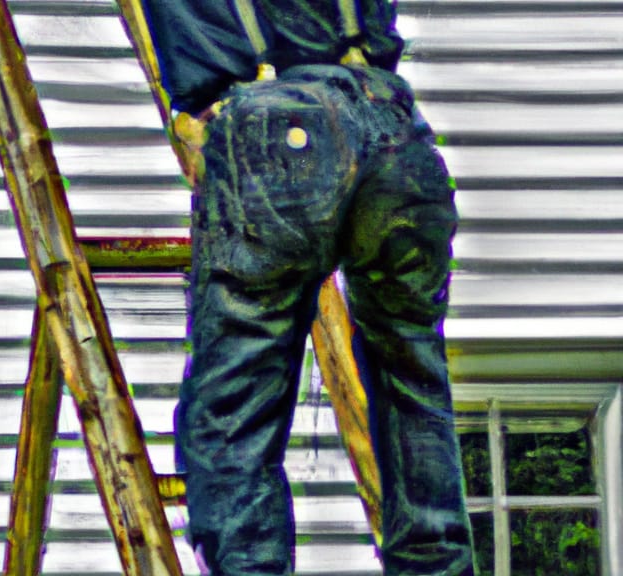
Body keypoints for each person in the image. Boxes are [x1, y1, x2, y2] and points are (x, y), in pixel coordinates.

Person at [141, 0, 476, 574]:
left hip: (272, 125)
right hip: (395, 128)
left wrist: (206, 123)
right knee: (414, 385)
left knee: (235, 410)